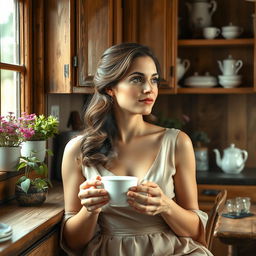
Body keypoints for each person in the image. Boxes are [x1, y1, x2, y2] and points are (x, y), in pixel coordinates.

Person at [60, 42, 213, 256]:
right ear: (110, 88)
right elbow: (73, 243)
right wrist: (89, 210)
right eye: (137, 79)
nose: (149, 88)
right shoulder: (77, 150)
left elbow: (197, 233)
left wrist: (166, 206)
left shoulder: (177, 142)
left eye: (154, 80)